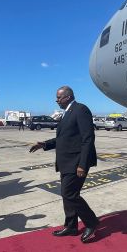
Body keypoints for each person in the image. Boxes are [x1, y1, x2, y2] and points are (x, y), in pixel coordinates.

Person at [29, 86, 99, 243]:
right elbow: (64, 138)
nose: (56, 100)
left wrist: (83, 164)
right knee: (67, 195)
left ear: (67, 97)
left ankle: (92, 222)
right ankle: (71, 226)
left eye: (58, 97)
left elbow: (88, 138)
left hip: (76, 163)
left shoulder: (80, 110)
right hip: (66, 162)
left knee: (70, 194)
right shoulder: (67, 112)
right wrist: (44, 144)